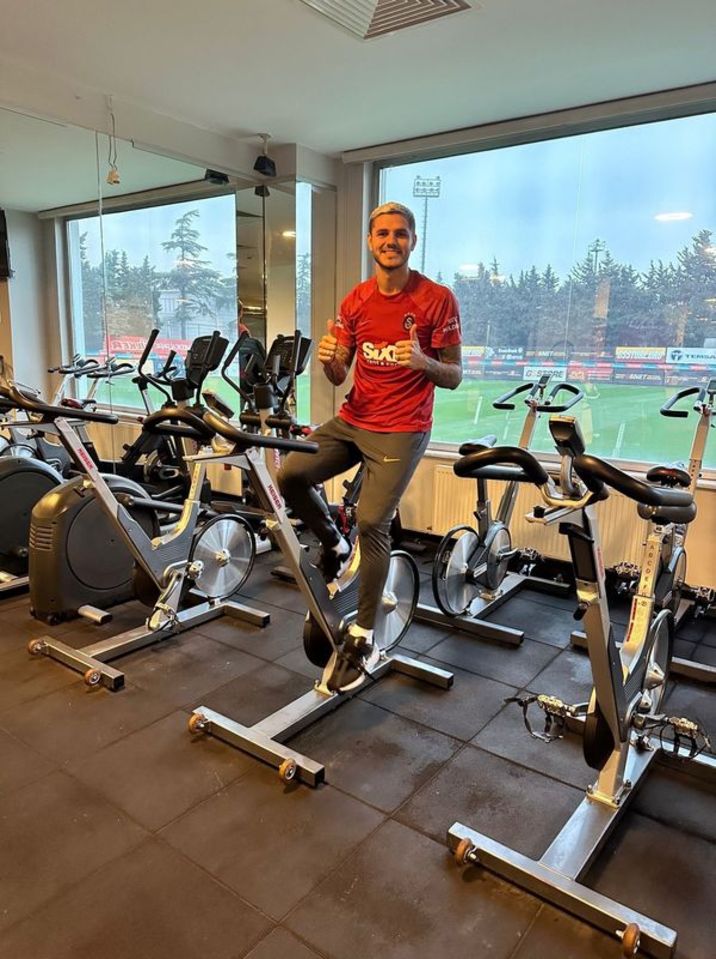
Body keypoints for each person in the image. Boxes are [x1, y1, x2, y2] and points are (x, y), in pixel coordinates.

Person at [278, 201, 462, 692]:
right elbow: (340, 373)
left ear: (413, 241)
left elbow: (455, 375)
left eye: (400, 233)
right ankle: (334, 544)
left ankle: (364, 634)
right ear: (370, 241)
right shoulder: (357, 300)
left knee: (372, 521)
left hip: (404, 427)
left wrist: (423, 362)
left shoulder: (436, 299)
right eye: (382, 233)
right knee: (289, 475)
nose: (390, 241)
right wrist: (329, 361)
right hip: (354, 420)